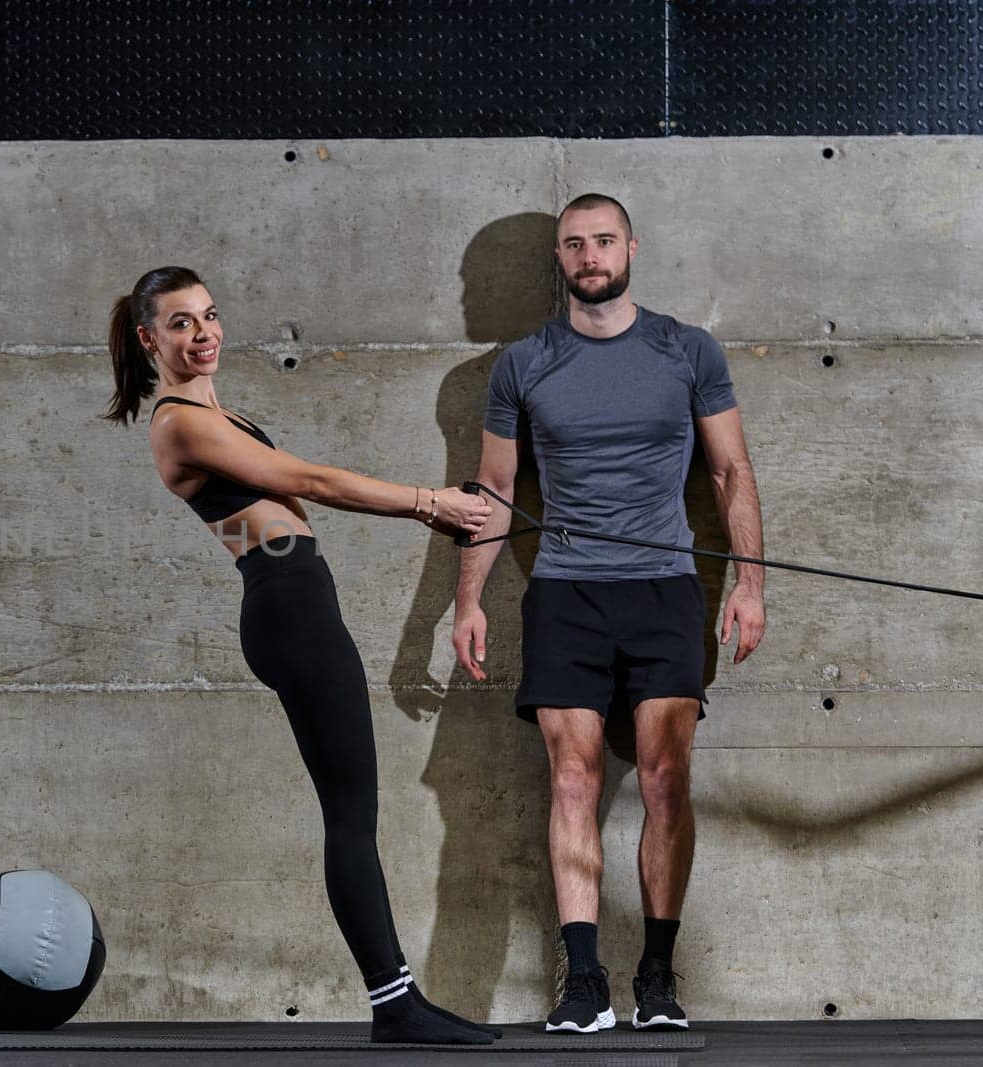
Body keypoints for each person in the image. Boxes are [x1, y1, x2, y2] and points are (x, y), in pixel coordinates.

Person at [105, 266, 500, 1045]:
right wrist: (432, 503)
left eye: (210, 315)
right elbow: (310, 480)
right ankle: (395, 1004)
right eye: (181, 323)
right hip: (287, 607)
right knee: (351, 815)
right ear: (150, 338)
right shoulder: (179, 422)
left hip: (300, 602)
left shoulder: (221, 412)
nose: (204, 333)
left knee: (357, 810)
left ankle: (399, 1001)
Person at [452, 194, 765, 1033]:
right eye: (573, 245)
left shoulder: (687, 349)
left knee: (665, 777)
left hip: (665, 588)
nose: (589, 256)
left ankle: (656, 980)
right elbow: (491, 489)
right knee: (572, 779)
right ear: (559, 260)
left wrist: (750, 584)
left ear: (631, 246)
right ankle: (584, 983)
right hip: (566, 590)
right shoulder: (524, 363)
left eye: (602, 240)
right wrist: (468, 598)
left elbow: (730, 471)